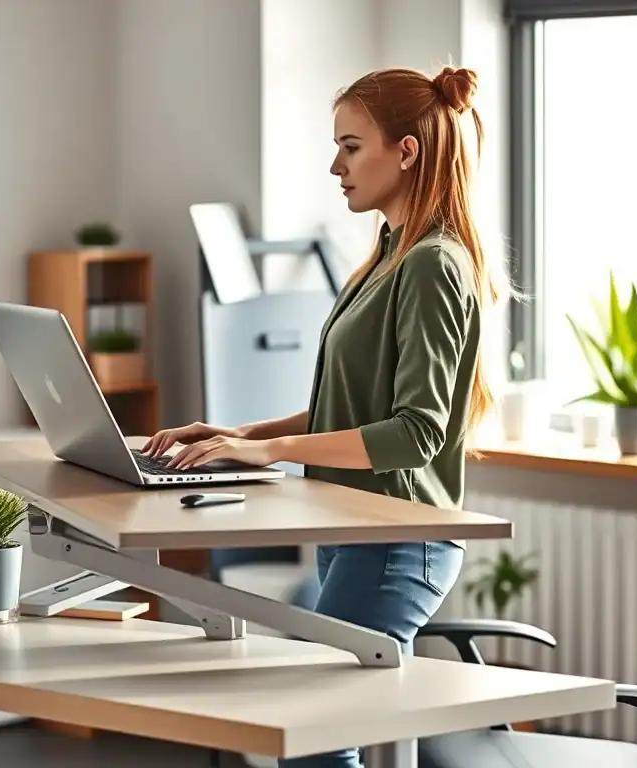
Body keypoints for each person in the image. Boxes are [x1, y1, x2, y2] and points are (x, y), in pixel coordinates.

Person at [142, 64, 505, 767]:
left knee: (314, 745)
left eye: (350, 146)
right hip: (355, 530)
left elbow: (416, 433)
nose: (335, 166)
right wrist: (239, 435)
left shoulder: (432, 264)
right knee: (319, 738)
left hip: (398, 541)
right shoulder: (390, 253)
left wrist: (270, 455)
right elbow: (352, 405)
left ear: (406, 151)